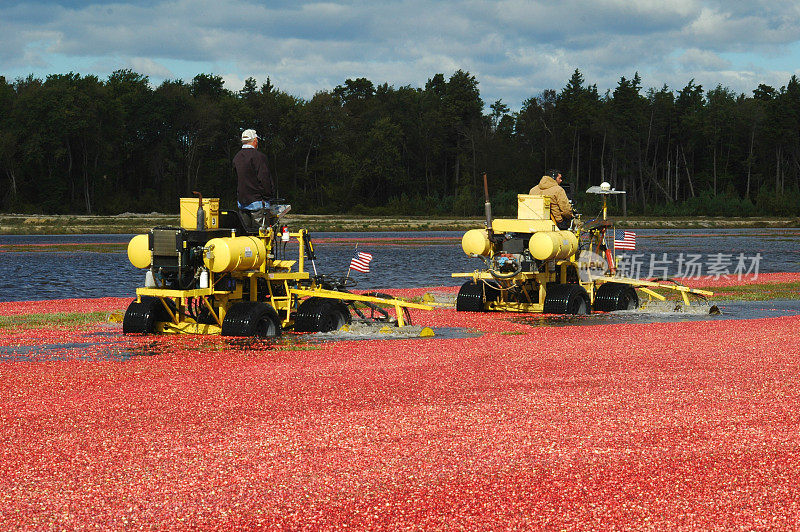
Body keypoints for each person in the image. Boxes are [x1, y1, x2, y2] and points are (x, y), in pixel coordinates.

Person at [233, 129, 273, 231]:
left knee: (246, 237)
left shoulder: (237, 157)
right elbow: (264, 179)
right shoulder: (259, 157)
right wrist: (267, 196)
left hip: (242, 202)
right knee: (261, 238)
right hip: (258, 203)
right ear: (255, 140)